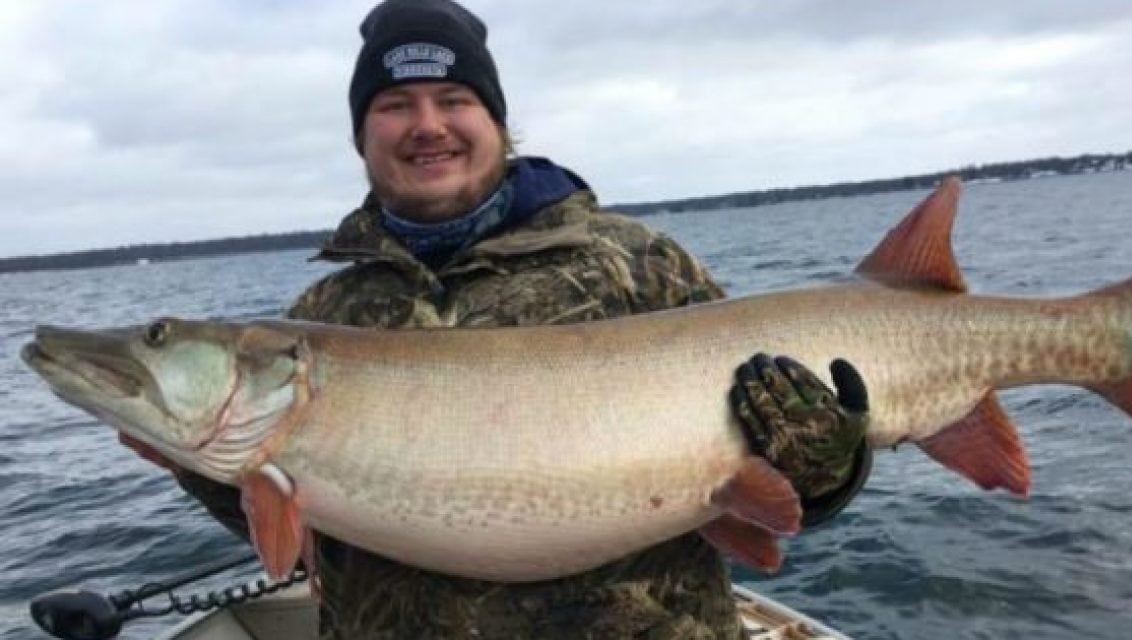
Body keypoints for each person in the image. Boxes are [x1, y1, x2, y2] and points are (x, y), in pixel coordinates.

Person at [176, 1, 874, 637]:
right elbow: (306, 523)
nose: (427, 126)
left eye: (454, 99)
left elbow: (789, 496)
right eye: (394, 104)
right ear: (362, 134)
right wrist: (198, 458)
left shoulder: (639, 266)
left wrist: (830, 464)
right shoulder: (322, 317)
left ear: (498, 124)